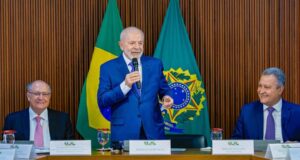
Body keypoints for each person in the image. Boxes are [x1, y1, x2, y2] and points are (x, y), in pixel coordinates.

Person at [97, 26, 173, 142]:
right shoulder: (108, 68)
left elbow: (164, 89)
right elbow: (102, 100)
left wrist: (167, 97)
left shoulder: (155, 64)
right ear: (121, 45)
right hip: (124, 132)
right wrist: (125, 86)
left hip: (153, 131)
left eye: (140, 43)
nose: (137, 47)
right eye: (132, 43)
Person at [232, 67, 300, 142]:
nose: (261, 91)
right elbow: (236, 142)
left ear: (280, 89)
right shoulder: (247, 111)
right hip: (256, 154)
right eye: (260, 86)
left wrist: (295, 147)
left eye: (267, 87)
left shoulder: (297, 113)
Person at [3, 80, 74, 148]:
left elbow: (70, 148)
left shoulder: (63, 119)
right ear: (28, 96)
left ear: (49, 96)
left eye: (45, 94)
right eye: (37, 94)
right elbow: (7, 149)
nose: (41, 97)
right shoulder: (13, 119)